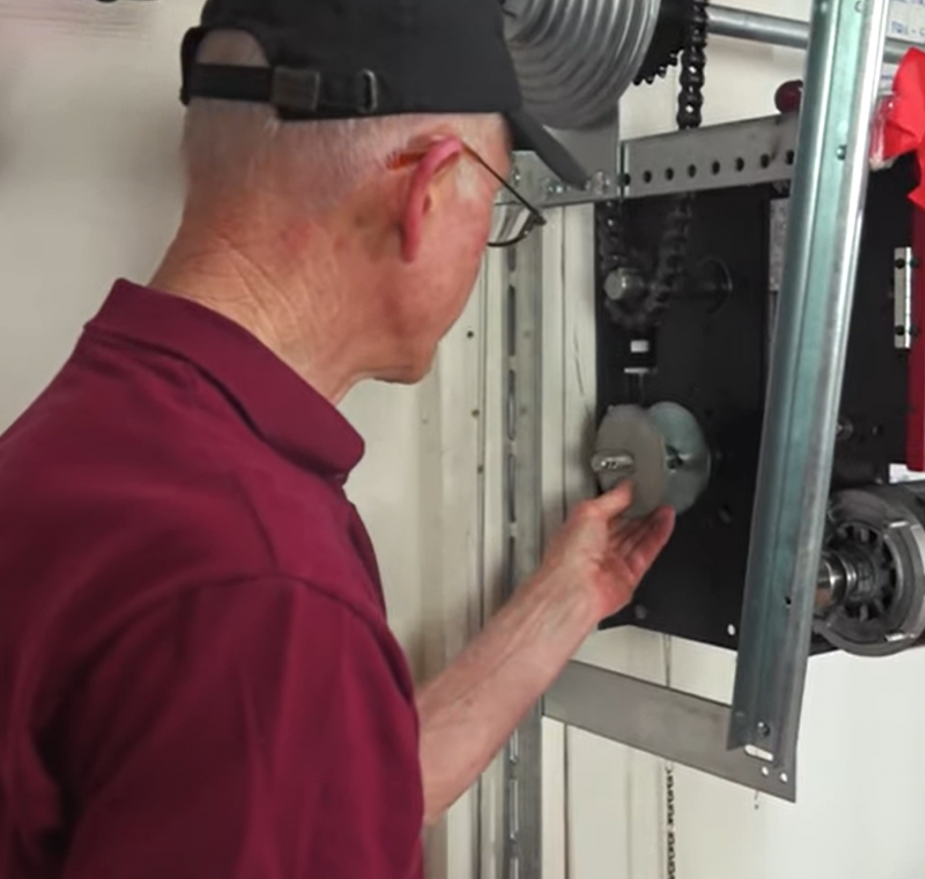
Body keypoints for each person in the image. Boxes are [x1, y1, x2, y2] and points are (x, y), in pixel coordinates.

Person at [0, 1, 675, 877]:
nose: (487, 246)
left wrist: (563, 602)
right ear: (425, 192)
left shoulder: (96, 435)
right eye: (500, 201)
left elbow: (318, 793)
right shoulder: (261, 587)